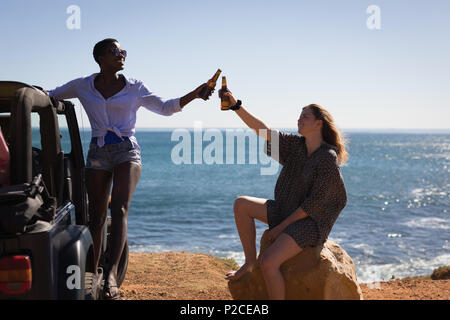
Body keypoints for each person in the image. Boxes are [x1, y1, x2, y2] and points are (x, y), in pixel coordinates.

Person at [47, 38, 213, 299]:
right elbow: (51, 95)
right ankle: (92, 271)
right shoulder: (82, 85)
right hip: (98, 152)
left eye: (123, 51)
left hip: (127, 151)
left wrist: (195, 93)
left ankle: (111, 273)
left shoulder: (135, 87)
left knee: (120, 208)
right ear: (100, 58)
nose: (122, 54)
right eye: (115, 51)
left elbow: (165, 108)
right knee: (96, 216)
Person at [221, 90, 348, 300]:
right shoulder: (296, 145)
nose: (299, 119)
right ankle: (250, 262)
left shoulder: (327, 157)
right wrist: (235, 106)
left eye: (305, 116)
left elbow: (312, 206)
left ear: (319, 123)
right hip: (285, 208)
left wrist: (280, 228)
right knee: (241, 204)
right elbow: (263, 130)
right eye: (299, 115)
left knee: (269, 262)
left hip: (310, 223)